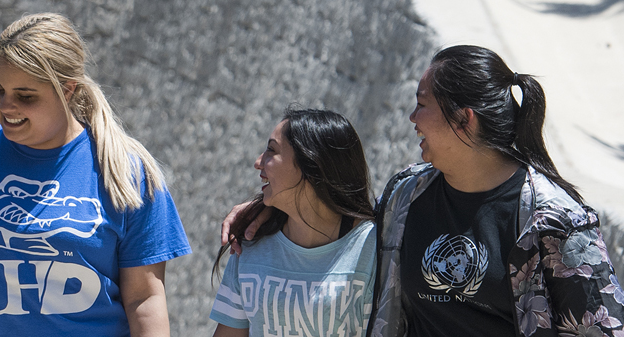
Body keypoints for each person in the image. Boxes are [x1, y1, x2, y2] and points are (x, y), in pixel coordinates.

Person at [221, 45, 624, 336]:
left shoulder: (557, 221)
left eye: (422, 104)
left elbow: (602, 329)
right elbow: (336, 217)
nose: (412, 118)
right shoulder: (404, 196)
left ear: (463, 119)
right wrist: (266, 206)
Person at [0, 13, 191, 336]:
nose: (5, 106)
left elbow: (144, 299)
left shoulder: (128, 173)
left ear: (68, 90)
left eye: (25, 96)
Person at [209, 109, 378, 337]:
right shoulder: (249, 243)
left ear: (312, 164)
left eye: (271, 150)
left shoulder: (372, 247)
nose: (258, 162)